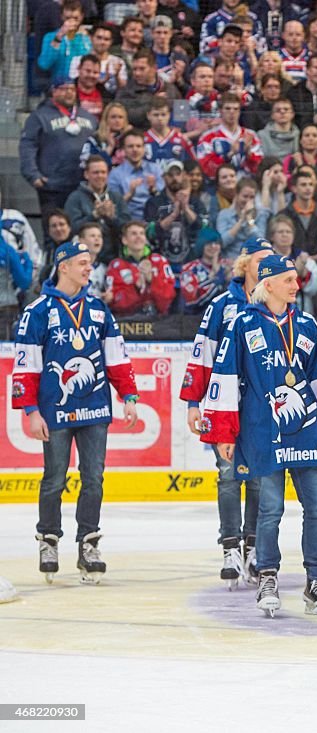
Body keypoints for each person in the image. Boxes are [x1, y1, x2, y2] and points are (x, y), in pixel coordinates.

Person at [200, 254, 317, 618]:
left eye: (296, 280)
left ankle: (316, 580)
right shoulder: (241, 324)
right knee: (270, 509)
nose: (297, 285)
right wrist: (224, 431)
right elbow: (225, 378)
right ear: (268, 284)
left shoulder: (308, 324)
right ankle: (267, 575)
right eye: (289, 280)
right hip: (262, 430)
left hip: (306, 430)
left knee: (316, 506)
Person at [12, 240, 139, 584]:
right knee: (54, 478)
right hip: (55, 411)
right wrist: (30, 410)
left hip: (95, 409)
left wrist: (128, 395)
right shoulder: (38, 310)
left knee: (94, 479)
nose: (89, 268)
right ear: (63, 266)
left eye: (90, 263)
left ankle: (88, 543)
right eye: (82, 262)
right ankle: (49, 539)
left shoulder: (98, 310)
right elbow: (26, 364)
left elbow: (116, 357)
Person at [181, 238, 272, 585]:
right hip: (225, 405)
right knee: (229, 474)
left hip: (263, 407)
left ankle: (253, 545)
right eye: (261, 259)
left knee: (261, 478)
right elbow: (202, 355)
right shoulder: (221, 306)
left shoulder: (277, 303)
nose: (267, 266)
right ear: (244, 264)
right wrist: (193, 403)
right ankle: (230, 546)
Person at [20, 77, 99, 212]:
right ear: (54, 91)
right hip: (52, 186)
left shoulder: (89, 118)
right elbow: (28, 146)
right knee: (55, 228)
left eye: (72, 89)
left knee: (83, 227)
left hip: (83, 185)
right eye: (63, 89)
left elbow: (98, 146)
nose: (68, 92)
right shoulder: (39, 117)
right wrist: (33, 175)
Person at [64, 155, 129, 261]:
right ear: (86, 174)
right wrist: (94, 215)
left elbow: (127, 228)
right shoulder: (75, 198)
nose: (100, 176)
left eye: (103, 172)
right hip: (84, 258)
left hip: (114, 258)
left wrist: (112, 218)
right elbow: (71, 229)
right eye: (95, 172)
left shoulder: (116, 197)